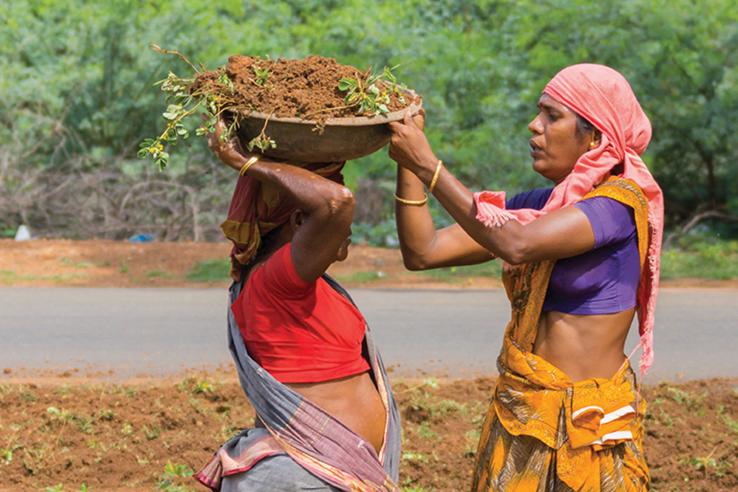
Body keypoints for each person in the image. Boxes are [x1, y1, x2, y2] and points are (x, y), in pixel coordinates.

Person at [388, 64, 663, 490]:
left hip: (585, 429)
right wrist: (408, 161)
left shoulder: (618, 206)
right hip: (522, 416)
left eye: (553, 116)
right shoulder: (542, 206)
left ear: (595, 136)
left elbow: (516, 242)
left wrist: (430, 165)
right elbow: (423, 251)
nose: (535, 126)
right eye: (540, 113)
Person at [195, 120, 401, 491]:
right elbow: (337, 203)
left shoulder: (304, 285)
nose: (348, 228)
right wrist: (243, 161)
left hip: (320, 474)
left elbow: (333, 203)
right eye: (339, 225)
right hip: (302, 476)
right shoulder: (274, 281)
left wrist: (410, 155)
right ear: (300, 220)